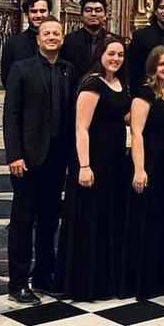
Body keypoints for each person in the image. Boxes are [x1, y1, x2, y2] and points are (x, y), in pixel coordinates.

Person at [3, 16, 77, 304]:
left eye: (56, 33)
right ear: (37, 38)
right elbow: (11, 115)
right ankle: (17, 282)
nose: (51, 37)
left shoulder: (69, 70)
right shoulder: (21, 69)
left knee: (49, 220)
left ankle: (43, 276)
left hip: (57, 158)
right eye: (46, 33)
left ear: (62, 37)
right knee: (23, 221)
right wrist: (14, 154)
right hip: (29, 158)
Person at [59, 33, 130, 301]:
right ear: (100, 55)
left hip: (113, 158)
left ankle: (104, 280)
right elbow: (81, 127)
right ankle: (85, 283)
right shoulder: (92, 83)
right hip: (93, 158)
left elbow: (119, 115)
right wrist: (85, 165)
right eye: (111, 54)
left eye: (120, 55)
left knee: (106, 217)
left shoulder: (118, 83)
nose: (115, 59)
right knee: (90, 218)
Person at [120, 45, 164, 300]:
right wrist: (139, 169)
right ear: (152, 67)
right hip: (148, 161)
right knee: (145, 218)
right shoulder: (144, 94)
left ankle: (161, 277)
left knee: (163, 219)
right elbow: (137, 133)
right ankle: (141, 281)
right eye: (161, 64)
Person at [1, 0, 51, 86]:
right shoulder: (13, 45)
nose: (39, 15)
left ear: (49, 13)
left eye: (43, 11)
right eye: (34, 11)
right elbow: (7, 81)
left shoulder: (59, 43)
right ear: (26, 14)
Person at [61, 0, 109, 74]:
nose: (93, 14)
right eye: (88, 10)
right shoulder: (69, 41)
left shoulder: (115, 40)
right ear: (82, 15)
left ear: (105, 15)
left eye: (98, 10)